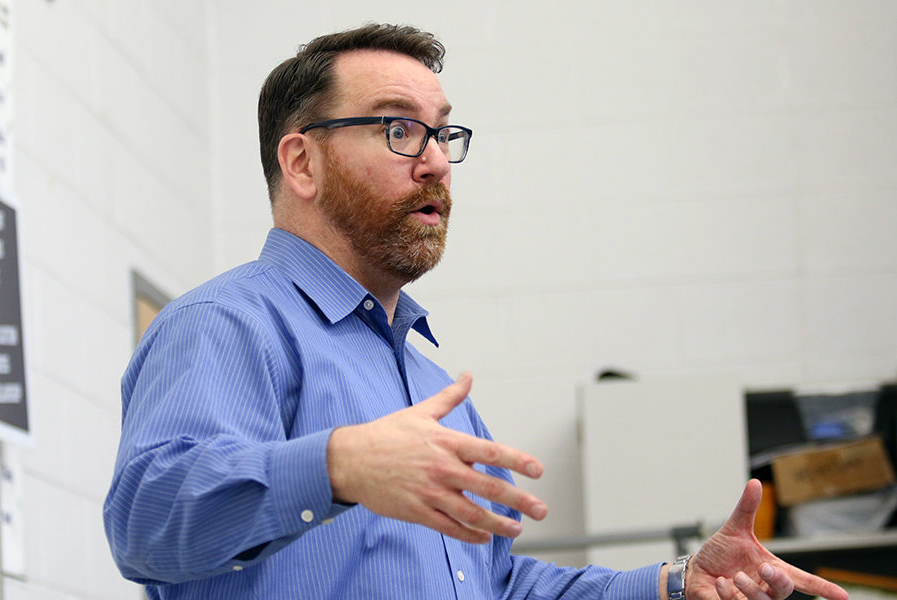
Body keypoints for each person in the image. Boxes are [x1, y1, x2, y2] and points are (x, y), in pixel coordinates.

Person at [103, 23, 850, 600]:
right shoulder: (227, 325)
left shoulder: (432, 387)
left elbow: (496, 584)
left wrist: (674, 581)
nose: (433, 161)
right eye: (398, 129)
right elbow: (144, 522)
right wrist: (336, 467)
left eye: (442, 133)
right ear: (302, 162)